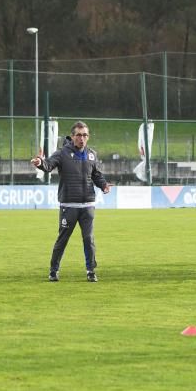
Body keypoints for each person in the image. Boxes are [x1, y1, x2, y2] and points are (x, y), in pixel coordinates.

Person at [31, 121, 111, 282]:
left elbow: (96, 175)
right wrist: (40, 163)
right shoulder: (62, 153)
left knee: (89, 239)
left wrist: (103, 185)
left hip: (88, 205)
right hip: (69, 205)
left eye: (85, 135)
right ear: (72, 136)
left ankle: (90, 271)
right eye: (79, 135)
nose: (82, 138)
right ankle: (53, 270)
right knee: (63, 239)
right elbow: (48, 165)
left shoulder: (92, 154)